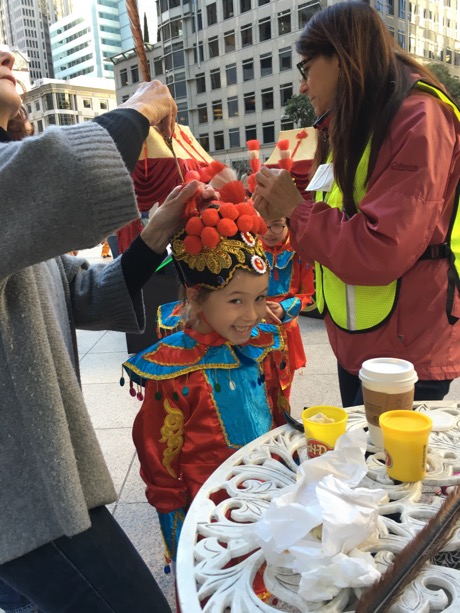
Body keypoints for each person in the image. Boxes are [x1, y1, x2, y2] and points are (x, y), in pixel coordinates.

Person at [0, 44, 215, 612]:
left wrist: (154, 235)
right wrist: (138, 109)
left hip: (35, 489)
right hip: (25, 501)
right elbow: (62, 172)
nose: (7, 53)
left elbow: (77, 291)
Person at [253, 1, 460, 407]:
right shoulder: (353, 122)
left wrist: (295, 209)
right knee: (367, 462)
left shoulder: (419, 118)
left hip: (407, 348)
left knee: (396, 466)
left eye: (307, 68)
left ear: (343, 59)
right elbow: (336, 213)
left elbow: (381, 248)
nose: (303, 86)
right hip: (361, 341)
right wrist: (282, 214)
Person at [122, 201, 288, 566]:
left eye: (260, 298)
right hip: (210, 514)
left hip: (269, 492)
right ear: (196, 296)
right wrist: (180, 532)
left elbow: (276, 414)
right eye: (236, 301)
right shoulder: (174, 373)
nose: (253, 315)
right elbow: (160, 462)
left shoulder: (261, 345)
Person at [261, 216, 314, 401]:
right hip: (254, 329)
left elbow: (308, 293)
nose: (268, 232)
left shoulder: (300, 250)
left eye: (276, 224)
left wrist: (284, 309)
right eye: (263, 224)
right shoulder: (249, 248)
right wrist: (256, 305)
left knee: (283, 391)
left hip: (286, 331)